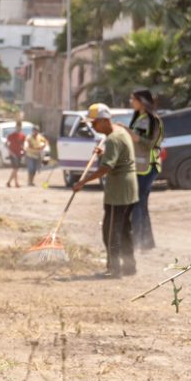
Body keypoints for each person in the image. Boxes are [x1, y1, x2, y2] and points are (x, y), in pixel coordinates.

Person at [73, 104, 138, 278]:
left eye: (94, 123)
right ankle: (130, 266)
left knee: (111, 231)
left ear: (104, 121)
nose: (92, 127)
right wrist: (105, 153)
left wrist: (82, 182)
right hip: (129, 188)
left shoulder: (113, 138)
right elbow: (118, 157)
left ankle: (115, 269)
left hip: (119, 190)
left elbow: (106, 168)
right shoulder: (119, 132)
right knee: (124, 229)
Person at [127, 88, 164, 250]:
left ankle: (137, 242)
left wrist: (129, 133)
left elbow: (147, 143)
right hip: (141, 167)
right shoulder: (140, 118)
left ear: (142, 101)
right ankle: (146, 243)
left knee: (137, 203)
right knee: (141, 205)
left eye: (133, 99)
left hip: (147, 167)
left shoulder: (151, 120)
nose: (130, 102)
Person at [5, 121, 26, 188]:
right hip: (12, 154)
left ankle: (9, 182)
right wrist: (10, 152)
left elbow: (22, 145)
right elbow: (6, 144)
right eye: (17, 126)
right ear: (15, 127)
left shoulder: (22, 136)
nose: (18, 128)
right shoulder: (11, 135)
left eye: (20, 127)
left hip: (19, 154)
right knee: (15, 168)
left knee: (16, 169)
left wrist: (23, 151)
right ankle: (15, 183)